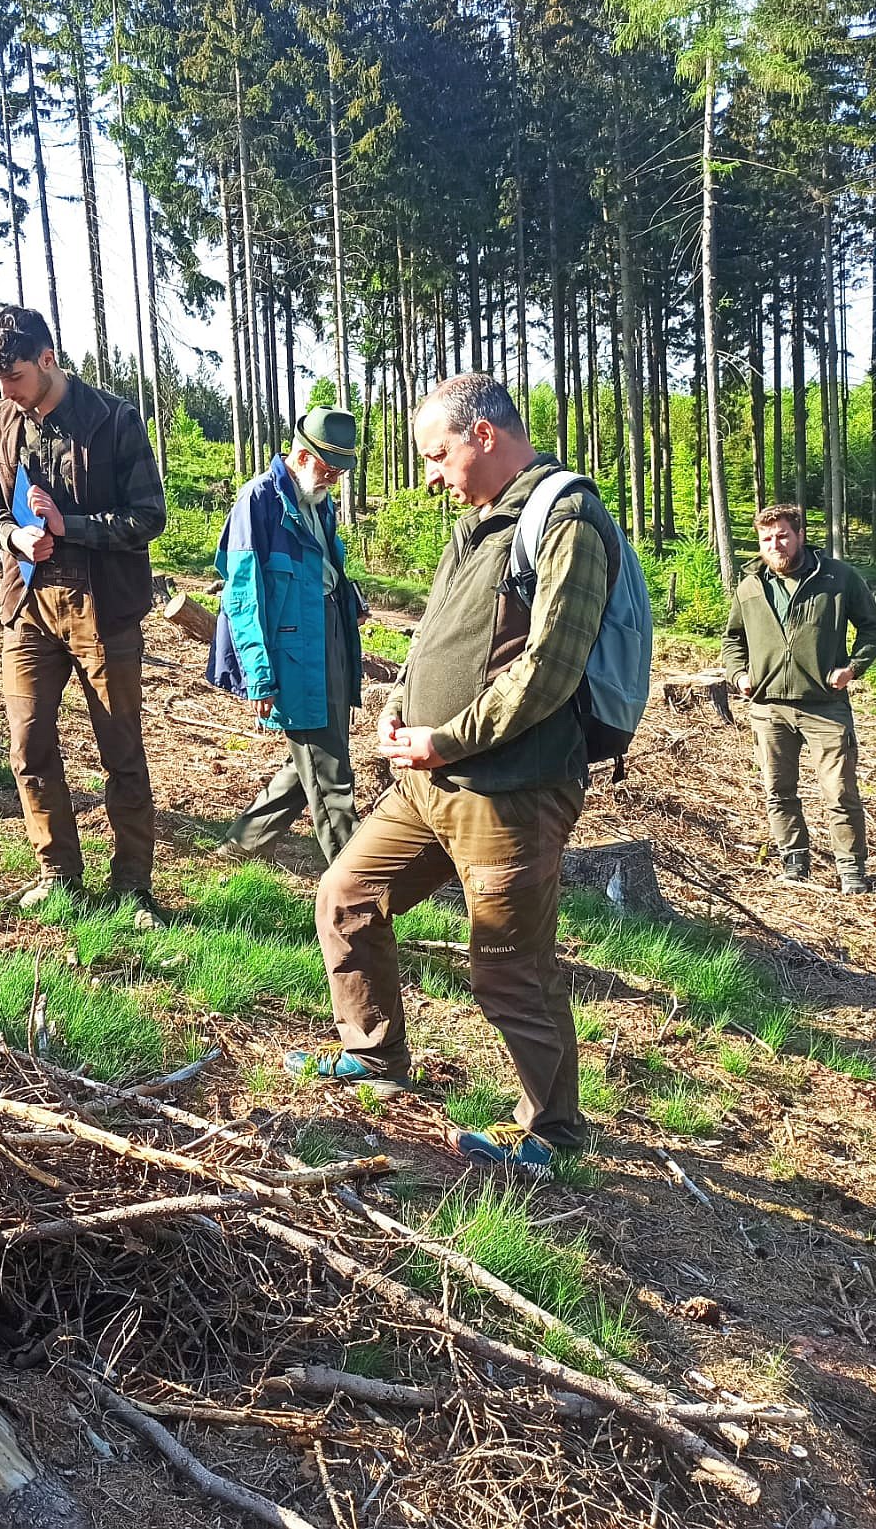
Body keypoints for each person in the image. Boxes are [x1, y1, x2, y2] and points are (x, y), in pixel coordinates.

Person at [295, 375, 624, 1178]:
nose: (431, 475)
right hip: (427, 781)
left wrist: (449, 738)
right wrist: (399, 707)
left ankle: (551, 1133)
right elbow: (434, 637)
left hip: (510, 790)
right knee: (345, 896)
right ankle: (373, 1052)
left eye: (437, 455)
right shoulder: (475, 523)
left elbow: (550, 668)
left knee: (510, 966)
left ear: (484, 434)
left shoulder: (566, 518)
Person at [0, 306, 165, 925]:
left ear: (48, 360)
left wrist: (68, 527)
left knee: (121, 752)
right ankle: (58, 875)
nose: (8, 393)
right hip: (27, 603)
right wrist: (12, 535)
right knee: (28, 744)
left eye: (16, 378)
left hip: (101, 608)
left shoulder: (113, 419)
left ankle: (132, 887)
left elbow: (148, 518)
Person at [208, 406, 366, 865]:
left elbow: (323, 569)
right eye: (328, 469)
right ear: (300, 456)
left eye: (340, 472)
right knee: (329, 769)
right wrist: (258, 675)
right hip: (293, 652)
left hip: (330, 636)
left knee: (313, 756)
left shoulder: (319, 500)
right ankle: (358, 878)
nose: (334, 480)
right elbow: (242, 595)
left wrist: (348, 602)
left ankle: (242, 843)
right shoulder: (257, 501)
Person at [721, 503, 876, 893]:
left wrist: (852, 668)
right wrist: (739, 675)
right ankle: (794, 863)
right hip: (768, 707)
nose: (774, 544)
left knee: (840, 791)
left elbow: (873, 627)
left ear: (799, 535)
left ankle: (852, 870)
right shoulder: (750, 586)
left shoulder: (837, 577)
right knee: (778, 791)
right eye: (766, 538)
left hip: (825, 706)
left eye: (782, 535)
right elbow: (732, 639)